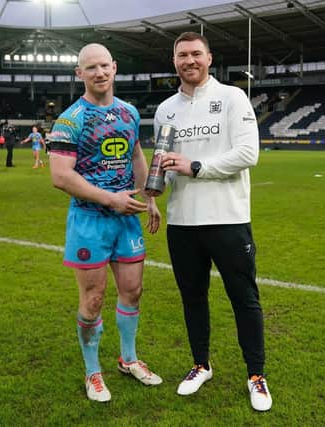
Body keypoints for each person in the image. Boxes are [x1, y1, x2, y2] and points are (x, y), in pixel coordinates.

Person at [152, 32, 271, 412]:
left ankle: (256, 375)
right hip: (182, 222)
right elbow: (167, 163)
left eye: (196, 54)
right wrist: (155, 190)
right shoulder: (165, 109)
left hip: (228, 218)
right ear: (175, 62)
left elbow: (248, 153)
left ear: (209, 58)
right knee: (193, 298)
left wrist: (197, 167)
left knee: (244, 299)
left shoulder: (232, 98)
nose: (190, 60)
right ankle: (200, 365)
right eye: (182, 55)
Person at [48, 43, 162, 403]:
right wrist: (109, 198)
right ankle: (92, 371)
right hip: (90, 221)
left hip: (127, 219)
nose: (99, 73)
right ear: (79, 74)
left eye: (104, 66)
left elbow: (137, 153)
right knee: (93, 300)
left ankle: (128, 359)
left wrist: (150, 197)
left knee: (133, 291)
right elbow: (60, 176)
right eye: (90, 68)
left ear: (114, 68)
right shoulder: (70, 120)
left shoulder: (128, 112)